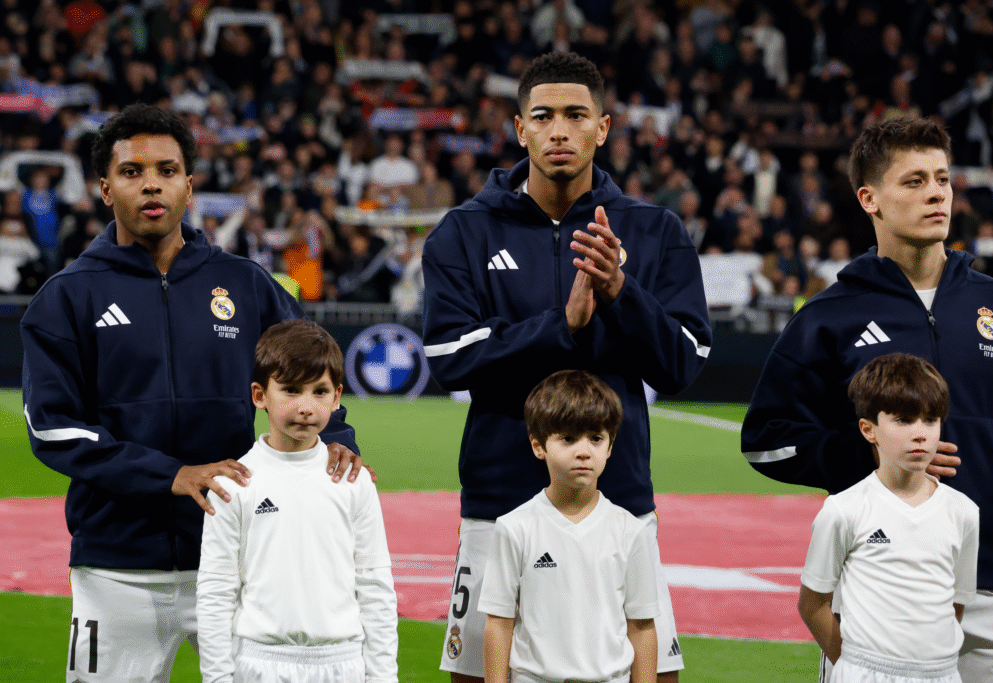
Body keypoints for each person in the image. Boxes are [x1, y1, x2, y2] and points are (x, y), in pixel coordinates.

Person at [20, 103, 368, 683]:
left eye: (166, 169)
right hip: (118, 568)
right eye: (131, 172)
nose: (150, 183)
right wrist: (171, 474)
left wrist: (339, 439)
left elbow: (314, 378)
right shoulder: (66, 297)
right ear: (105, 189)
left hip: (244, 560)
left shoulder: (249, 285)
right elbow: (53, 427)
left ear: (190, 184)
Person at [422, 51, 712, 683]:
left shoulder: (653, 230)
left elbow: (684, 363)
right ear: (519, 128)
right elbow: (448, 358)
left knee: (651, 670)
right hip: (499, 500)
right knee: (478, 672)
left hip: (618, 499)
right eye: (544, 116)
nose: (560, 130)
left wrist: (620, 294)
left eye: (577, 115)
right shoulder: (465, 230)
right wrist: (564, 326)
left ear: (602, 129)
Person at [742, 117, 993, 683]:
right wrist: (866, 454)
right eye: (914, 180)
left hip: (989, 582)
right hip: (874, 585)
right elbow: (765, 441)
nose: (936, 192)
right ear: (869, 198)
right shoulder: (829, 317)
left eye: (942, 178)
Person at [197, 319, 397, 683]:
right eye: (290, 390)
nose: (306, 406)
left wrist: (383, 676)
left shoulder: (354, 481)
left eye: (319, 392)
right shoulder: (234, 484)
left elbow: (375, 584)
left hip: (343, 662)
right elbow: (215, 592)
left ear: (337, 397)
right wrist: (217, 677)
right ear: (259, 395)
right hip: (259, 663)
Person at [799, 353, 979, 683]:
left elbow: (957, 603)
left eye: (931, 420)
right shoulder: (845, 510)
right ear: (869, 430)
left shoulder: (964, 512)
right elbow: (812, 604)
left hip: (942, 674)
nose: (921, 433)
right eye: (904, 420)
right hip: (863, 671)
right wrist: (852, 665)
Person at [479, 369, 658, 683]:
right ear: (538, 446)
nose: (584, 451)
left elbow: (641, 627)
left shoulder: (631, 531)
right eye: (568, 438)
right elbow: (499, 623)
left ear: (611, 445)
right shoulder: (515, 527)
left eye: (596, 438)